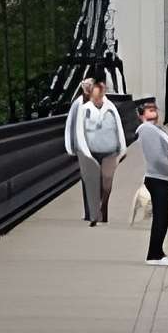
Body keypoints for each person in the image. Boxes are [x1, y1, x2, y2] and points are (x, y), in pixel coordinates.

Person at [65, 77, 124, 225]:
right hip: (86, 149)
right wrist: (73, 147)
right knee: (89, 181)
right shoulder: (79, 104)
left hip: (107, 149)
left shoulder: (108, 105)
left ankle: (100, 210)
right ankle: (91, 213)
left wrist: (121, 148)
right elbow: (72, 125)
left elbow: (118, 125)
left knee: (104, 183)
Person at [134, 96, 168, 266]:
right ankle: (154, 255)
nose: (154, 113)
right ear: (141, 114)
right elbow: (156, 158)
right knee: (161, 218)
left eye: (155, 110)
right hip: (158, 177)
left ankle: (158, 251)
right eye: (149, 110)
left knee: (162, 217)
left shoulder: (153, 130)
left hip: (159, 177)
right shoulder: (147, 130)